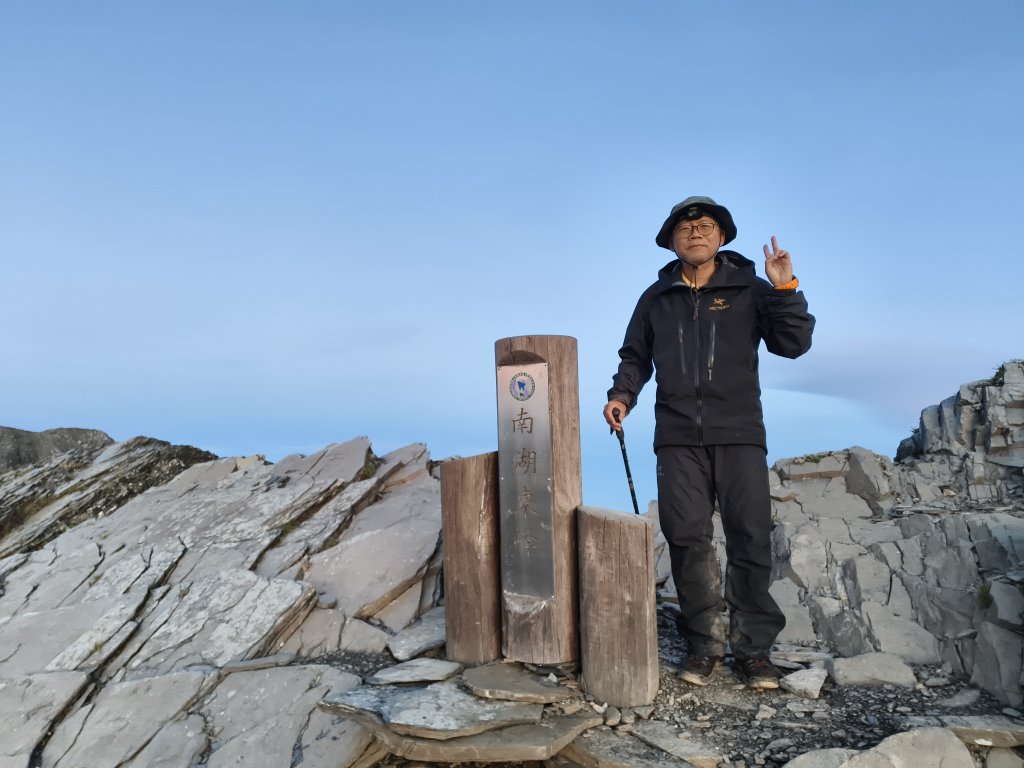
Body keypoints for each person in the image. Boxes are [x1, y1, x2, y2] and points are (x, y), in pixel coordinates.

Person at [604, 196, 814, 689]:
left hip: (740, 433)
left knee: (750, 537)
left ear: (721, 237)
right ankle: (703, 645)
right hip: (677, 437)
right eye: (685, 228)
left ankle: (754, 652)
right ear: (671, 241)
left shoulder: (750, 288)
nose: (695, 233)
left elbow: (793, 345)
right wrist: (621, 395)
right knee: (686, 538)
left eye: (705, 226)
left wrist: (785, 288)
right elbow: (635, 356)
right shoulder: (655, 299)